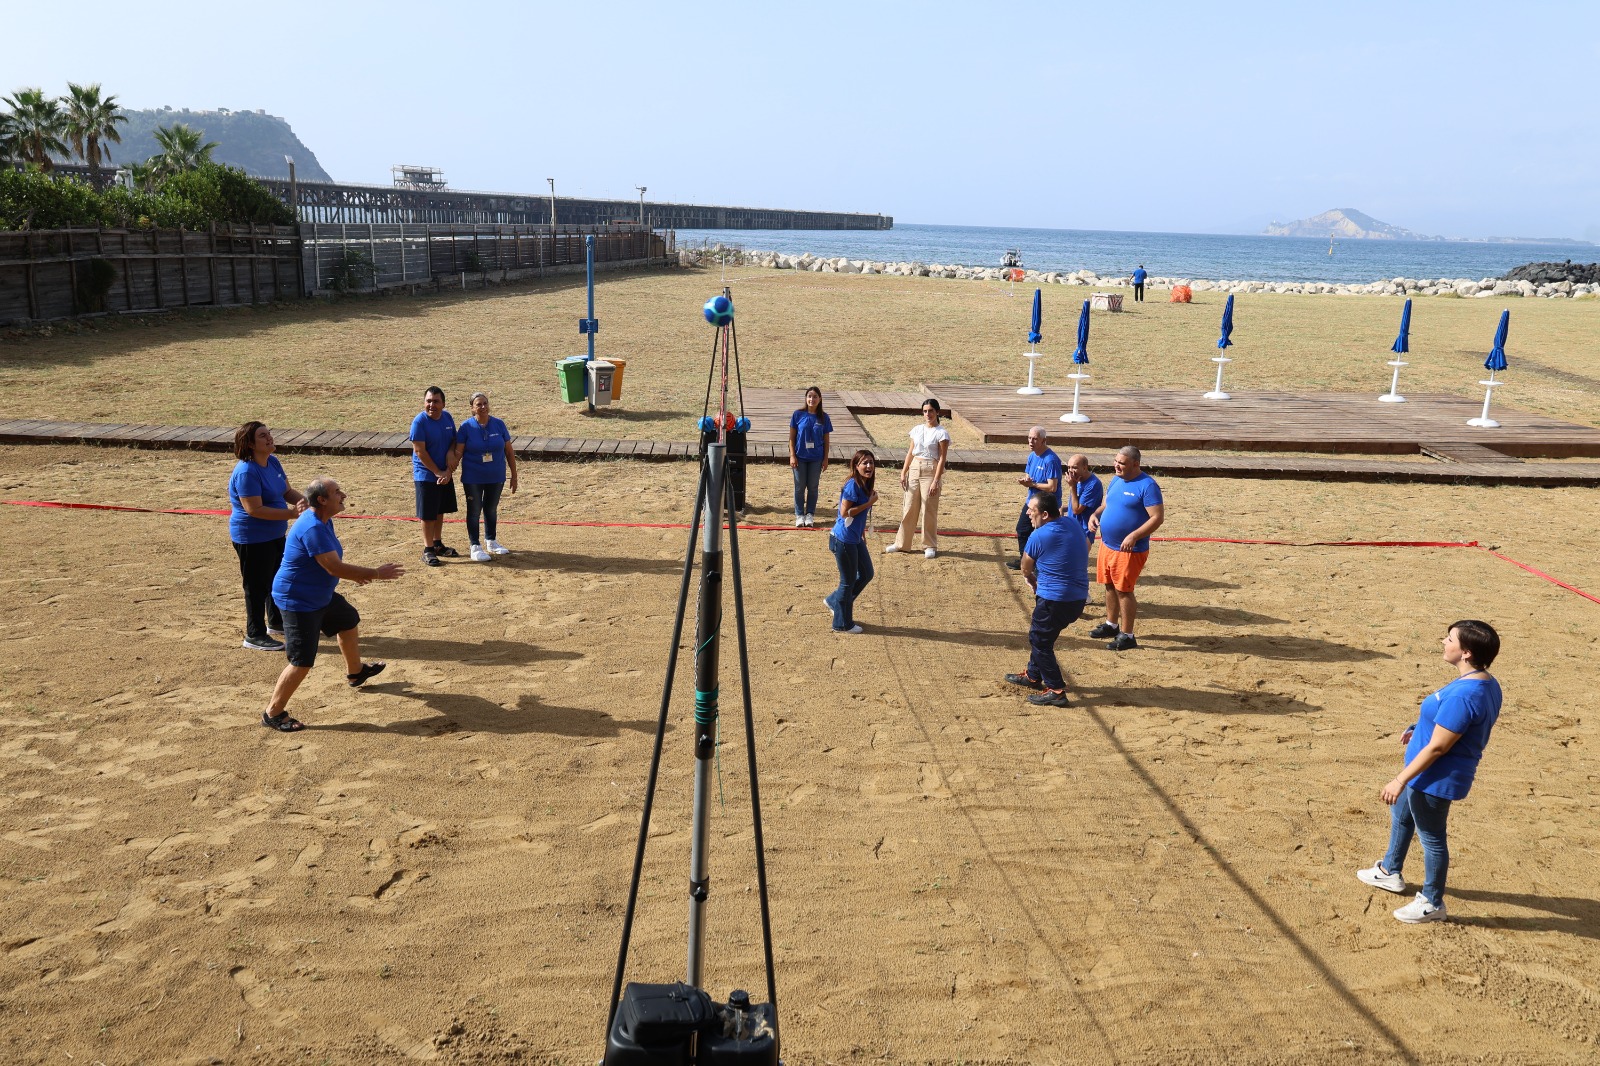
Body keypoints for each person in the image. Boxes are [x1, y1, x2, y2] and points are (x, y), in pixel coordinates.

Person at [1357, 621, 1503, 923]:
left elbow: (1439, 747)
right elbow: (1451, 726)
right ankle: (1389, 870)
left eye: (1449, 639)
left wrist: (1400, 779)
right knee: (1401, 815)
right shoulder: (1484, 681)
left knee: (1432, 838)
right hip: (1425, 772)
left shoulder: (1466, 695)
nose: (1443, 642)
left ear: (1465, 652)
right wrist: (1418, 728)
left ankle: (1432, 902)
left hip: (1435, 778)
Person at [263, 477, 405, 731]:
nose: (344, 495)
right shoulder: (313, 527)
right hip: (298, 600)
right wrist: (375, 572)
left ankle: (356, 672)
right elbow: (333, 567)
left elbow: (330, 565)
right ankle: (273, 713)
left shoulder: (323, 520)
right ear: (322, 500)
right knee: (301, 661)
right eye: (337, 492)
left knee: (348, 621)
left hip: (319, 595)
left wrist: (356, 574)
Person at [228, 421, 307, 652]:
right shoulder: (246, 472)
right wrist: (291, 513)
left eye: (269, 433)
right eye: (263, 436)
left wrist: (308, 504)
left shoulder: (272, 461)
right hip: (251, 538)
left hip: (274, 533)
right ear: (251, 444)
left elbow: (287, 491)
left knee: (276, 579)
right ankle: (254, 634)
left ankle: (276, 622)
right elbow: (255, 510)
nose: (269, 438)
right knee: (256, 586)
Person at [1005, 493, 1088, 707]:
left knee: (1040, 639)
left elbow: (1025, 565)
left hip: (1055, 599)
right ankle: (1033, 675)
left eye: (1031, 509)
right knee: (1044, 635)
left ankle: (1056, 689)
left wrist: (1030, 578)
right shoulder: (1070, 523)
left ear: (1044, 513)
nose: (1027, 513)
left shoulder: (1038, 536)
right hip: (1076, 598)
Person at [1087, 446, 1164, 651]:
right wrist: (1095, 514)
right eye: (1116, 461)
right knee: (1109, 585)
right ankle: (1112, 624)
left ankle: (1128, 635)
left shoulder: (1147, 486)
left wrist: (1134, 536)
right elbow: (1107, 504)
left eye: (1121, 463)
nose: (1116, 465)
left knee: (1124, 590)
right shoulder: (1116, 480)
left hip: (1130, 549)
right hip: (1108, 544)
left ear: (1135, 464)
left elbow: (1157, 518)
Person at [452, 391, 519, 562]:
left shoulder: (498, 424)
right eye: (478, 404)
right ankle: (475, 545)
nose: (482, 407)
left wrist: (514, 475)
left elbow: (509, 451)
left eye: (485, 404)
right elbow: (458, 452)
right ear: (472, 408)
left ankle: (491, 541)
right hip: (473, 477)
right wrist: (448, 470)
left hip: (496, 475)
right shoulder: (466, 427)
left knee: (491, 508)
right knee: (474, 510)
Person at [886, 398, 950, 559]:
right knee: (909, 507)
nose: (927, 414)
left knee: (928, 508)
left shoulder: (941, 433)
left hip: (930, 469)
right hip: (915, 468)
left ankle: (929, 544)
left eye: (931, 411)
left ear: (937, 412)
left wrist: (936, 480)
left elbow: (942, 458)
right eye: (925, 411)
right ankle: (902, 543)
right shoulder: (916, 429)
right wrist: (903, 472)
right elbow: (910, 452)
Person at [824, 450, 879, 634]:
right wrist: (869, 503)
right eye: (864, 463)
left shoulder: (865, 484)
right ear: (856, 466)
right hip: (843, 540)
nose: (869, 466)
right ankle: (842, 623)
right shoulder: (852, 486)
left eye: (871, 462)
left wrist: (862, 533)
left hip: (855, 538)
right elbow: (845, 513)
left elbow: (858, 516)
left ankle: (834, 601)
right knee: (847, 583)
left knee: (866, 573)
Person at [410, 386, 459, 567]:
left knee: (439, 511)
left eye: (436, 401)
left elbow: (454, 439)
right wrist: (438, 472)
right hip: (426, 475)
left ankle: (437, 543)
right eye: (428, 401)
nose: (432, 405)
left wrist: (450, 454)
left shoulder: (447, 417)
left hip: (444, 473)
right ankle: (428, 549)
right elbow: (420, 451)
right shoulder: (419, 422)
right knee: (428, 515)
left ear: (443, 404)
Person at [1008, 426, 1062, 570]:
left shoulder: (1051, 460)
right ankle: (1025, 561)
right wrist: (1026, 480)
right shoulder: (1032, 456)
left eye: (1035, 439)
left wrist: (1033, 484)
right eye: (1029, 438)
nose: (1031, 441)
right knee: (1023, 529)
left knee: (1042, 534)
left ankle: (1039, 564)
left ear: (1043, 441)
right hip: (1032, 501)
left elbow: (1052, 487)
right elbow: (1029, 475)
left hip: (1046, 504)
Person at [788, 386, 832, 527]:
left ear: (819, 399)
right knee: (799, 487)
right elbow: (791, 438)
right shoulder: (797, 415)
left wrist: (825, 458)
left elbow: (826, 440)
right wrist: (792, 455)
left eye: (814, 397)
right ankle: (799, 514)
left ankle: (810, 514)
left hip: (816, 458)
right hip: (800, 457)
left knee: (813, 487)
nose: (811, 399)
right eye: (809, 396)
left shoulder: (824, 417)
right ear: (806, 398)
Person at [1064, 453, 1104, 550]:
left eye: (1074, 467)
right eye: (1069, 467)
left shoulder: (1092, 484)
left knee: (1076, 563)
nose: (1070, 471)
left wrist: (1072, 486)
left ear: (1085, 468)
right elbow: (1076, 503)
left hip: (1083, 532)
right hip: (1072, 527)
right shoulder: (1078, 479)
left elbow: (1077, 510)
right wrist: (1063, 508)